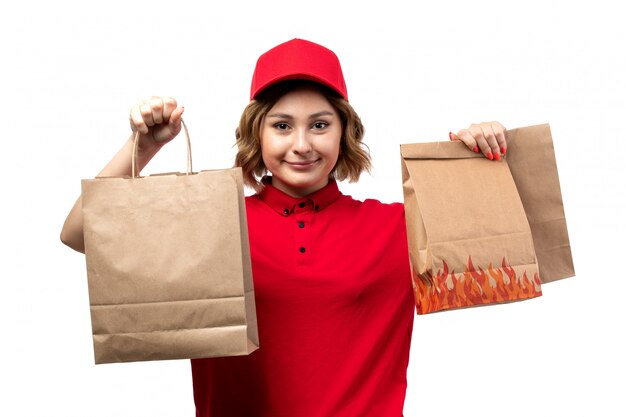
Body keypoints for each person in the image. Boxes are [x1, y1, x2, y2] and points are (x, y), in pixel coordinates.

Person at [61, 38, 507, 416]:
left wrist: (479, 160)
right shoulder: (209, 225)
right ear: (257, 135)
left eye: (319, 125)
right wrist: (143, 147)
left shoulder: (399, 227)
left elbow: (509, 244)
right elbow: (81, 233)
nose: (301, 145)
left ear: (343, 133)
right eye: (281, 126)